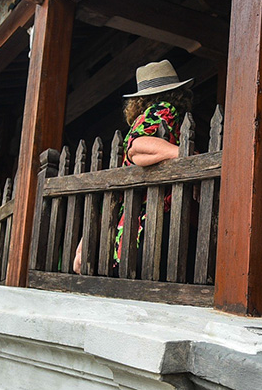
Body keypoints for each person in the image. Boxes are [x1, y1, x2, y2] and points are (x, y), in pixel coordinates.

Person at [72, 60, 193, 272]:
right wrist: (185, 157)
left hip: (129, 224)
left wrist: (84, 242)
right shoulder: (164, 109)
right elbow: (136, 146)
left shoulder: (145, 117)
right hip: (153, 218)